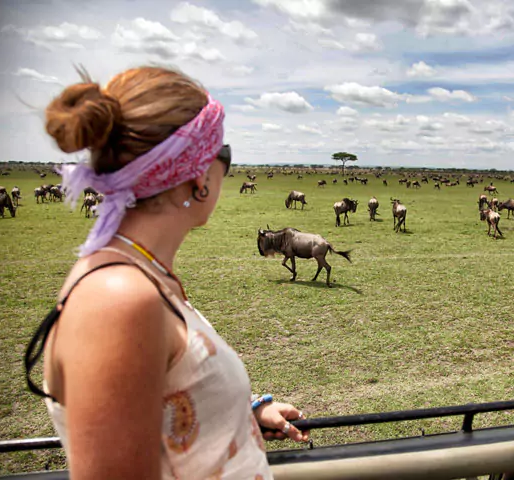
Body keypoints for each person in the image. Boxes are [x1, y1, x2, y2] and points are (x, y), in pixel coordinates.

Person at [24, 67, 308, 479]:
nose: (224, 169)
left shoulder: (140, 275)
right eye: (222, 155)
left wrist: (238, 412)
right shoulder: (118, 299)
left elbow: (159, 399)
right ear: (197, 178)